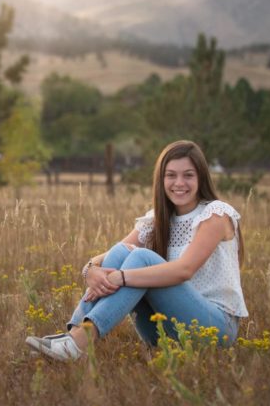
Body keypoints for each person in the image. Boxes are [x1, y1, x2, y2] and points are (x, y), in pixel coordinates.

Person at [25, 140, 247, 361]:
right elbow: (111, 255)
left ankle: (78, 343)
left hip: (213, 329)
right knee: (122, 251)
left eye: (188, 175)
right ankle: (73, 336)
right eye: (171, 175)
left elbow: (184, 270)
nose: (179, 183)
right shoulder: (157, 219)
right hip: (164, 333)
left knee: (142, 257)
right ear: (161, 179)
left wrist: (121, 277)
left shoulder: (215, 214)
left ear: (201, 177)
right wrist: (90, 269)